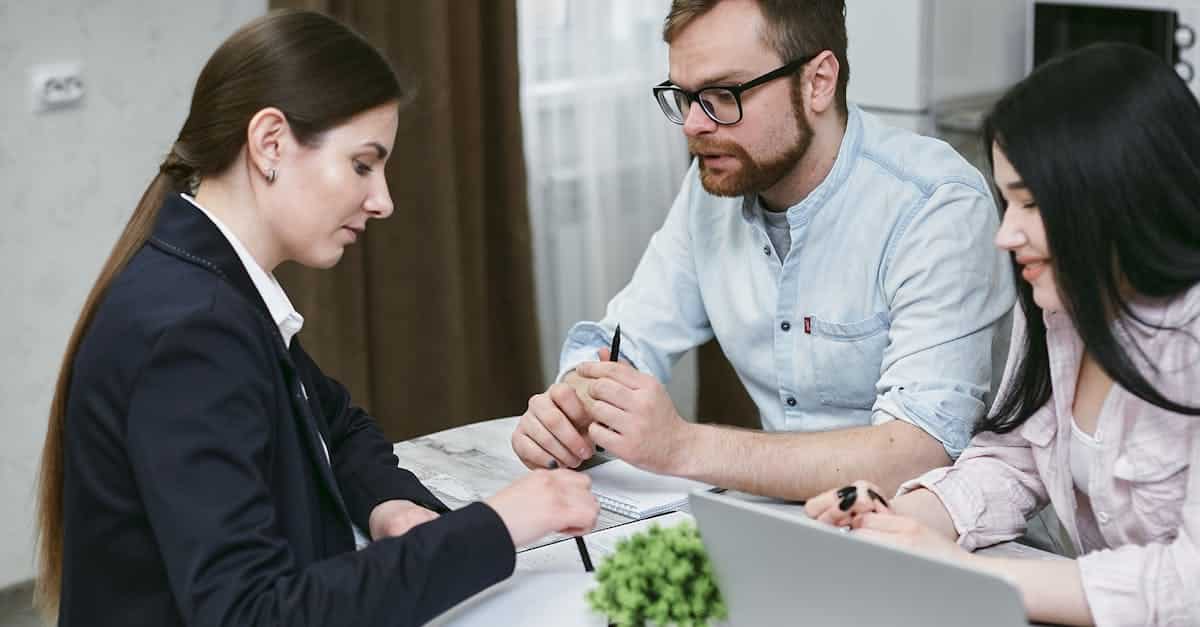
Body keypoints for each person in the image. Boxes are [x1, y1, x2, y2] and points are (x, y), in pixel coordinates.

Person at [34, 10, 598, 627]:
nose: (383, 201)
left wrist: (390, 503)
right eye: (363, 164)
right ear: (270, 143)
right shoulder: (194, 329)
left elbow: (334, 421)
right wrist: (500, 524)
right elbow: (253, 614)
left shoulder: (211, 282)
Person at [511, 0, 1014, 500]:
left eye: (722, 94)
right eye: (683, 96)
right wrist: (575, 400)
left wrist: (682, 446)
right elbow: (626, 341)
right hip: (789, 531)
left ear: (817, 81)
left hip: (945, 543)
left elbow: (918, 453)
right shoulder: (711, 191)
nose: (692, 126)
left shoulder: (934, 206)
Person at [806, 43, 1200, 626]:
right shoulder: (1061, 304)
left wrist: (959, 570)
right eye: (1005, 201)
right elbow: (1013, 462)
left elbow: (1186, 585)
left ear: (1118, 195)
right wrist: (902, 521)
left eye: (1032, 204)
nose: (1005, 234)